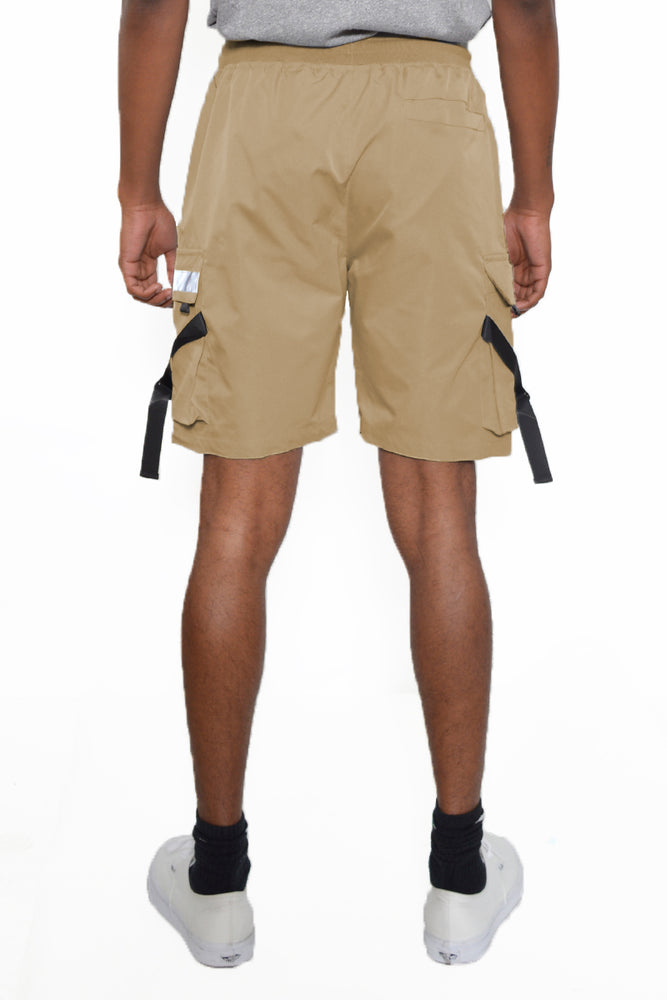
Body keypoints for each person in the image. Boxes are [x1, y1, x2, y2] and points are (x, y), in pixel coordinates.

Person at [117, 0, 558, 969]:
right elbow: (524, 7)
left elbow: (154, 5)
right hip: (431, 120)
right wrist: (533, 195)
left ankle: (217, 882)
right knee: (440, 516)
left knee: (235, 518)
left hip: (261, 114)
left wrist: (137, 185)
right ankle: (459, 878)